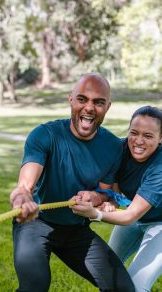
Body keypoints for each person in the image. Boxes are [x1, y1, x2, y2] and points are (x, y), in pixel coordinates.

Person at [10, 73, 135, 292]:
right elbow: (24, 186)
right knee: (34, 286)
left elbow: (105, 193)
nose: (89, 107)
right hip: (35, 223)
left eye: (98, 102)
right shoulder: (45, 135)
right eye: (82, 99)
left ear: (108, 107)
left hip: (76, 230)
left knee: (122, 288)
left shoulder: (114, 147)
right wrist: (22, 200)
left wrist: (94, 197)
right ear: (71, 100)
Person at [71, 106, 162, 291]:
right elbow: (114, 186)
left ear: (161, 138)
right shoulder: (120, 149)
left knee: (137, 285)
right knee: (106, 270)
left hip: (159, 224)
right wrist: (112, 200)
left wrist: (95, 213)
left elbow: (130, 216)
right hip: (136, 217)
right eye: (134, 133)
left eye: (148, 136)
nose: (138, 141)